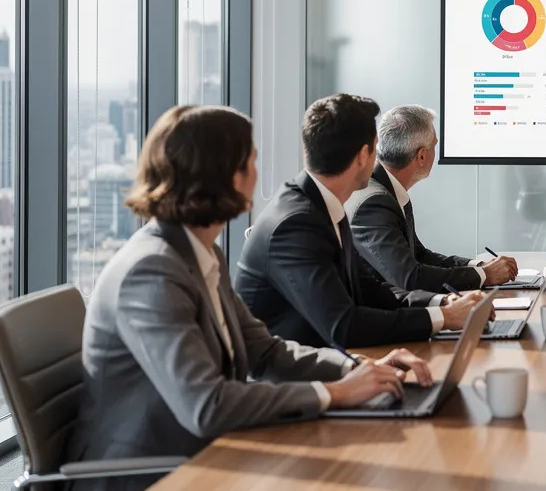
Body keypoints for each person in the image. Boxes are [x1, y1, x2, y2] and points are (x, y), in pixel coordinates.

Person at [67, 106, 433, 491]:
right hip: (149, 472)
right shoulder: (151, 272)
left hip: (205, 449)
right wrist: (335, 393)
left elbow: (266, 352)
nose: (258, 175)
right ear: (224, 174)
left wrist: (357, 367)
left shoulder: (201, 252)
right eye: (251, 162)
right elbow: (207, 405)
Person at [235, 94, 488, 349]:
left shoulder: (323, 207)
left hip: (333, 360)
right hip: (300, 375)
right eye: (376, 147)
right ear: (363, 155)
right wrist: (442, 317)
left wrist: (442, 304)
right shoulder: (297, 223)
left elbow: (370, 291)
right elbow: (344, 326)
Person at [348, 104, 519, 292]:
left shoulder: (388, 190)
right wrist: (486, 275)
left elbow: (419, 255)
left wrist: (478, 266)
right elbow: (410, 277)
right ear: (421, 156)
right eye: (434, 145)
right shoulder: (375, 203)